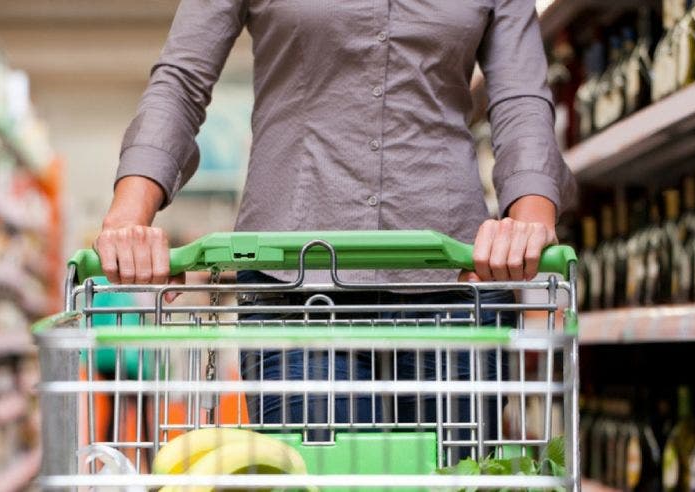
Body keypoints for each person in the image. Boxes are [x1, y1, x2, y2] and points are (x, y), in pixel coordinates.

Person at [95, 0, 576, 454]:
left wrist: (529, 220)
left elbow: (520, 98)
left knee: (455, 478)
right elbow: (182, 81)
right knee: (320, 478)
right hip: (294, 284)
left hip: (452, 283)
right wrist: (127, 219)